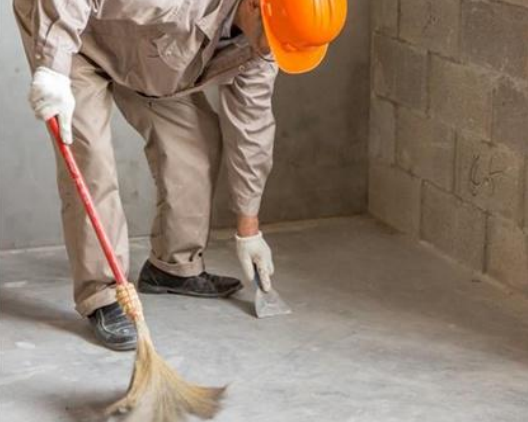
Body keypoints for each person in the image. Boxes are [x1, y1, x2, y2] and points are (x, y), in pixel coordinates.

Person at [13, 0, 347, 350]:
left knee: (195, 143)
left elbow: (252, 127)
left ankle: (173, 267)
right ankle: (105, 294)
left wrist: (249, 229)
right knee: (90, 160)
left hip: (149, 48)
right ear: (254, 5)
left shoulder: (265, 46)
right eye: (272, 40)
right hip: (71, 34)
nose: (269, 51)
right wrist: (52, 70)